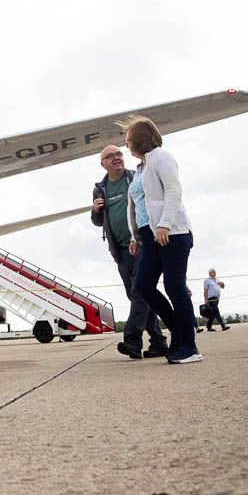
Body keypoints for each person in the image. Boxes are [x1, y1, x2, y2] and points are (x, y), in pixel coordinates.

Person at [122, 116, 201, 364]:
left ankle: (189, 346)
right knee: (143, 286)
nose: (127, 145)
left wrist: (165, 224)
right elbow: (136, 204)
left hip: (172, 233)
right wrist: (135, 235)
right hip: (149, 237)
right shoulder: (141, 168)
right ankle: (178, 331)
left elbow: (173, 191)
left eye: (128, 140)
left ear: (140, 139)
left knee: (174, 287)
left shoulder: (161, 157)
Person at [91, 144, 168, 360]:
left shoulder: (135, 178)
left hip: (143, 244)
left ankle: (132, 340)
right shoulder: (100, 188)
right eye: (110, 156)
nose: (116, 158)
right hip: (121, 251)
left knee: (139, 292)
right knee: (139, 296)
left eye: (118, 154)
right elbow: (98, 222)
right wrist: (95, 210)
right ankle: (158, 342)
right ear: (103, 164)